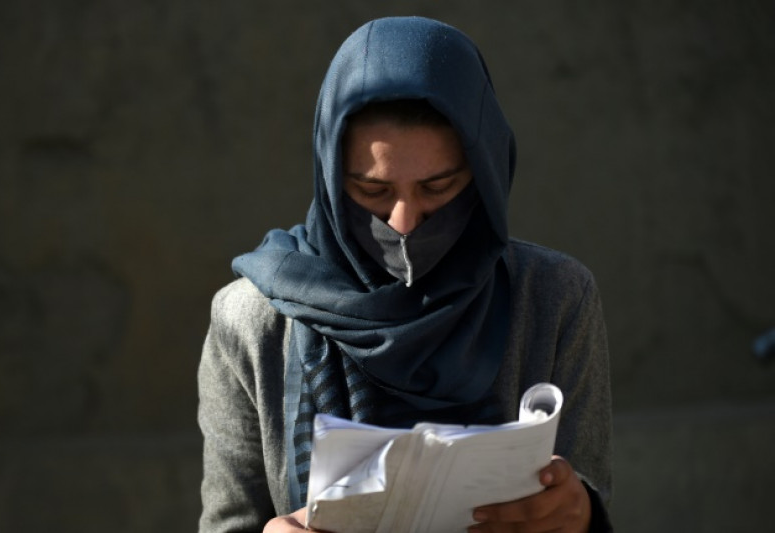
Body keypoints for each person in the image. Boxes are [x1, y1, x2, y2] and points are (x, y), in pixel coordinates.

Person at [198, 16, 612, 533]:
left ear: (484, 174)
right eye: (371, 193)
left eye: (438, 188)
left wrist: (580, 514)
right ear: (329, 177)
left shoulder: (554, 298)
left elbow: (582, 490)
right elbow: (227, 522)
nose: (404, 222)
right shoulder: (252, 321)